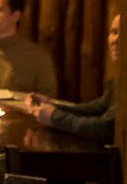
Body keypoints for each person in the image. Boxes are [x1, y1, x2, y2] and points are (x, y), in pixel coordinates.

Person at [26, 13, 118, 143]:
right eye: (114, 32)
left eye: (123, 33)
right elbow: (99, 108)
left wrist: (55, 117)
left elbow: (107, 127)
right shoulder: (123, 76)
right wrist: (53, 106)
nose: (115, 40)